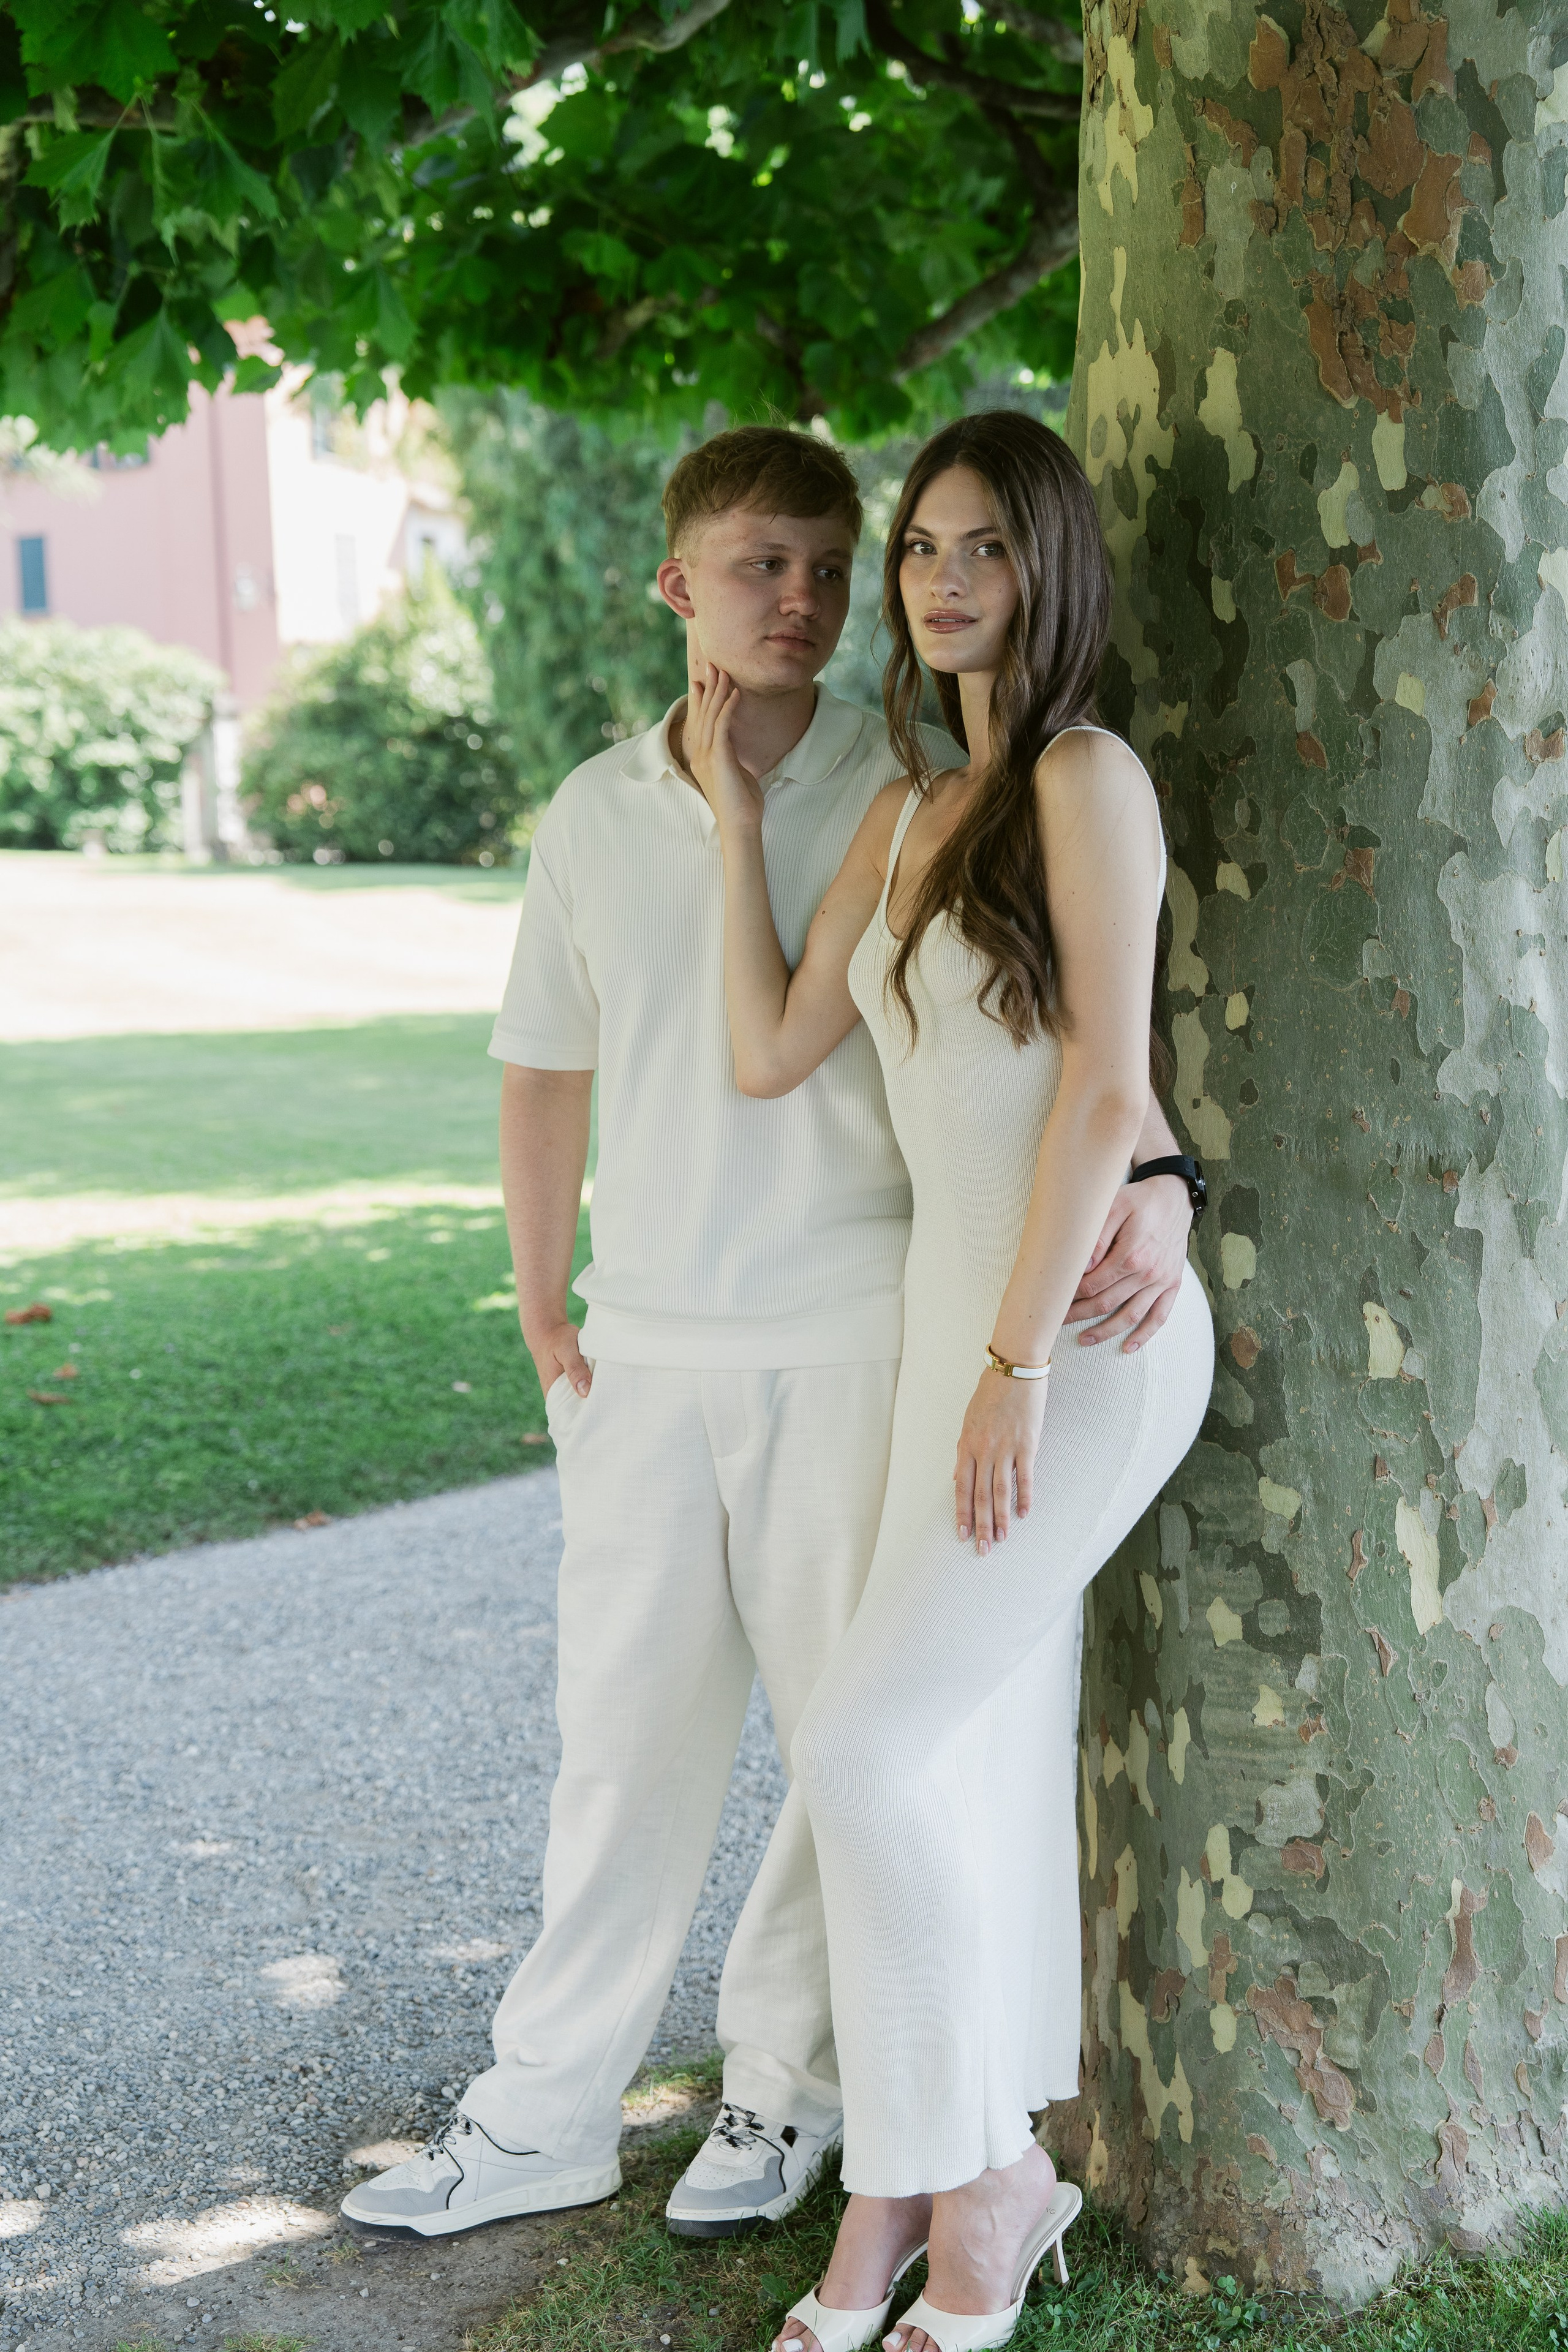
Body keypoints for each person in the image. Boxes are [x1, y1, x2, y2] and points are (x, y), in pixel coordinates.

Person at [341, 424, 1200, 2247]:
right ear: (681, 587)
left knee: (857, 1753)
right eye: (775, 568)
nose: (820, 597)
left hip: (892, 1333)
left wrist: (1165, 1178)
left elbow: (1075, 1051)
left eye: (841, 563)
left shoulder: (953, 776)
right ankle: (564, 2115)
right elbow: (614, 1062)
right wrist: (539, 1298)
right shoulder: (669, 812)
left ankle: (814, 2111)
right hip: (672, 1346)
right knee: (637, 1747)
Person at [684, 412, 1215, 2352]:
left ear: (1046, 566)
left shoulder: (1087, 777)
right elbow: (765, 1051)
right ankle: (918, 2204)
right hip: (955, 1346)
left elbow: (1101, 1085)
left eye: (980, 546)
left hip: (1076, 1341)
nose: (935, 581)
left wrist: (1016, 1355)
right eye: (919, 548)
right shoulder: (910, 819)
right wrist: (734, 809)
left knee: (862, 1749)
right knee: (951, 1761)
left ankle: (982, 2175)